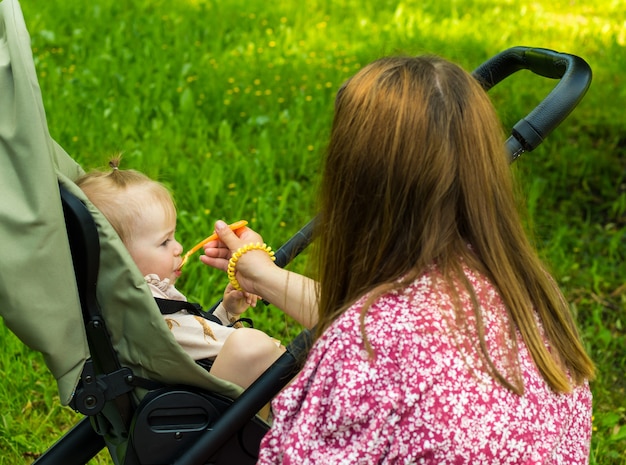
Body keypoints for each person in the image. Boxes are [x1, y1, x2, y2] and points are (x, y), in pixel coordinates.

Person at [201, 55, 596, 464]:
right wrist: (259, 273)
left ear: (354, 181)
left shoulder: (366, 344)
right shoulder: (530, 292)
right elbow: (392, 328)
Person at [76, 157, 284, 391]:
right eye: (165, 241)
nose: (178, 248)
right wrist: (283, 355)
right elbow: (204, 341)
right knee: (253, 345)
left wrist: (226, 312)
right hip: (217, 409)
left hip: (211, 395)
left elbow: (192, 344)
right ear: (117, 258)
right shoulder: (143, 311)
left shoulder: (135, 302)